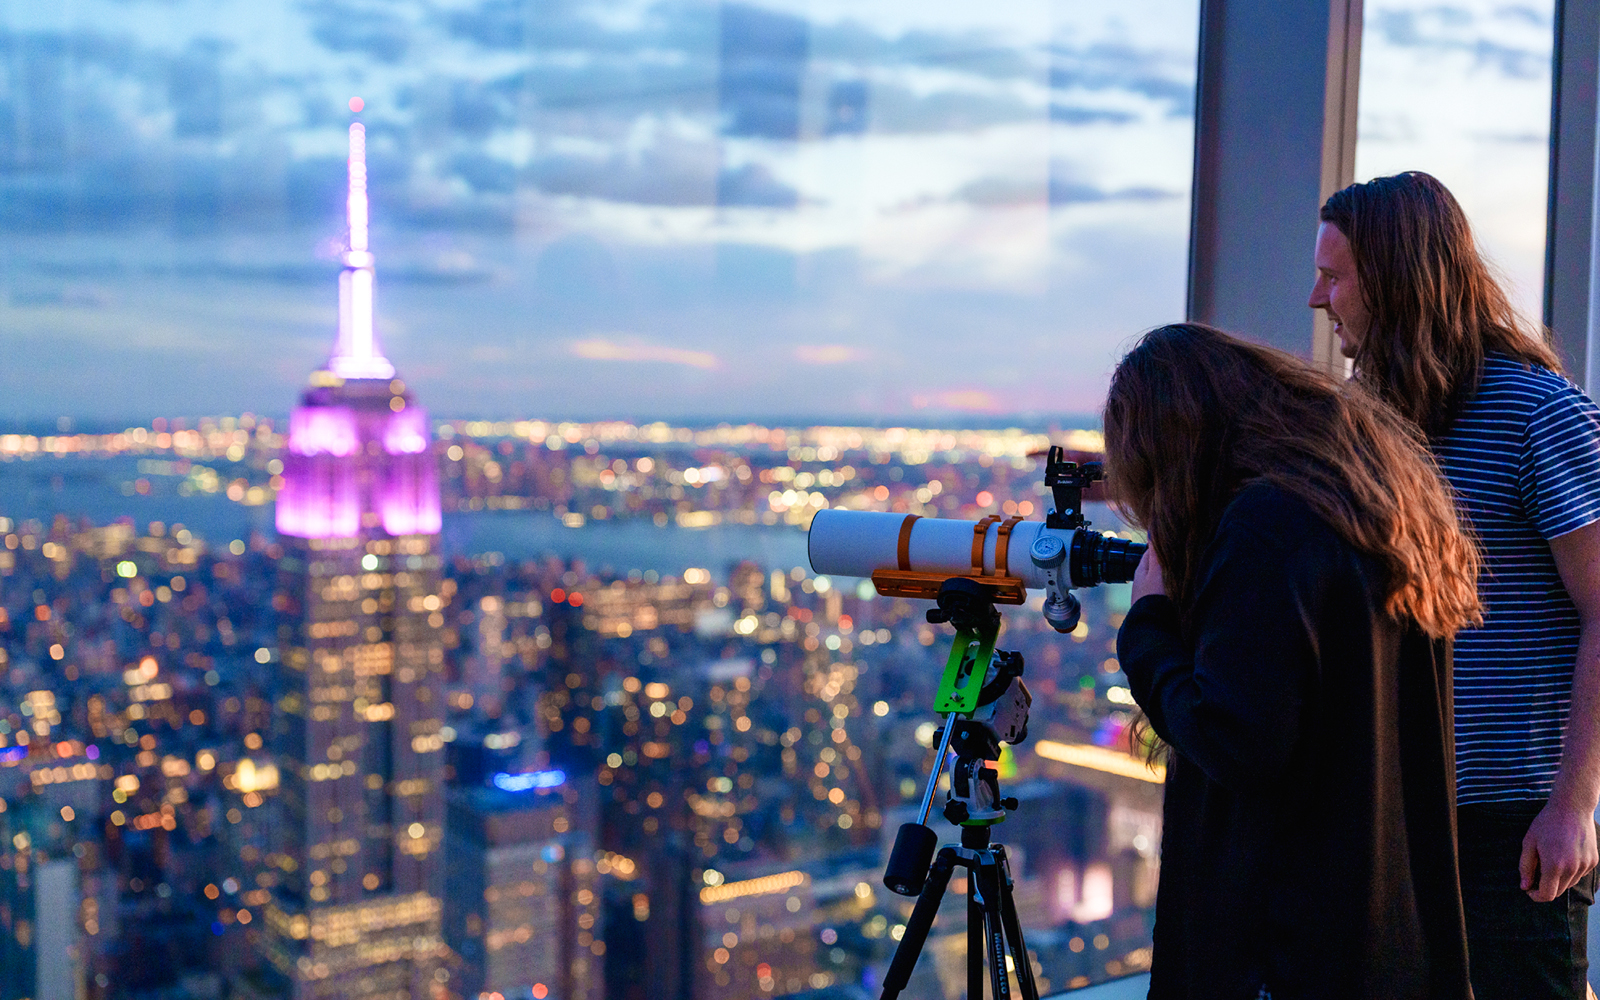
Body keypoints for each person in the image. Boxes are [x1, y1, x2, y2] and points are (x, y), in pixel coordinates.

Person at [1109, 323, 1482, 999]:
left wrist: (1149, 625)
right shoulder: (1372, 506)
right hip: (1389, 933)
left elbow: (1237, 738)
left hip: (1285, 948)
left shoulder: (1264, 529)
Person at [1312, 171, 1600, 999]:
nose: (1316, 297)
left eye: (1335, 277)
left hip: (1512, 827)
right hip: (1392, 817)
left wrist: (1572, 806)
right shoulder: (1368, 425)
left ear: (1399, 279)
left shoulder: (1538, 414)